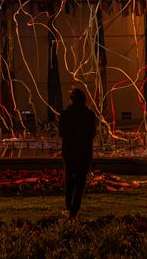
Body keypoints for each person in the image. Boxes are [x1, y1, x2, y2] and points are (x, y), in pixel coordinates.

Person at [58, 88, 97, 218]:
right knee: (80, 182)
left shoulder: (65, 114)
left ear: (72, 100)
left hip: (69, 152)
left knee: (70, 180)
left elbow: (62, 133)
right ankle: (74, 209)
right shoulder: (90, 115)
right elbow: (92, 134)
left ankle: (69, 205)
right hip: (84, 152)